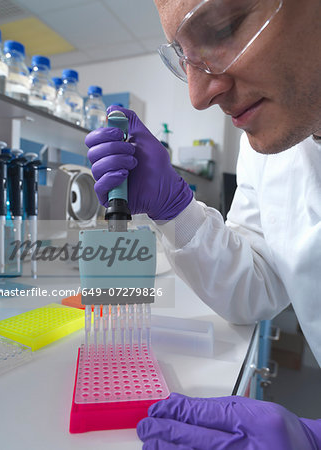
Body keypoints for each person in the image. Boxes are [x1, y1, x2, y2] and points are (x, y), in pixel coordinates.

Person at [85, 0, 321, 447]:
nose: (198, 96)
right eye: (185, 58)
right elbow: (257, 284)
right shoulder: (266, 145)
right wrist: (174, 207)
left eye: (223, 27)